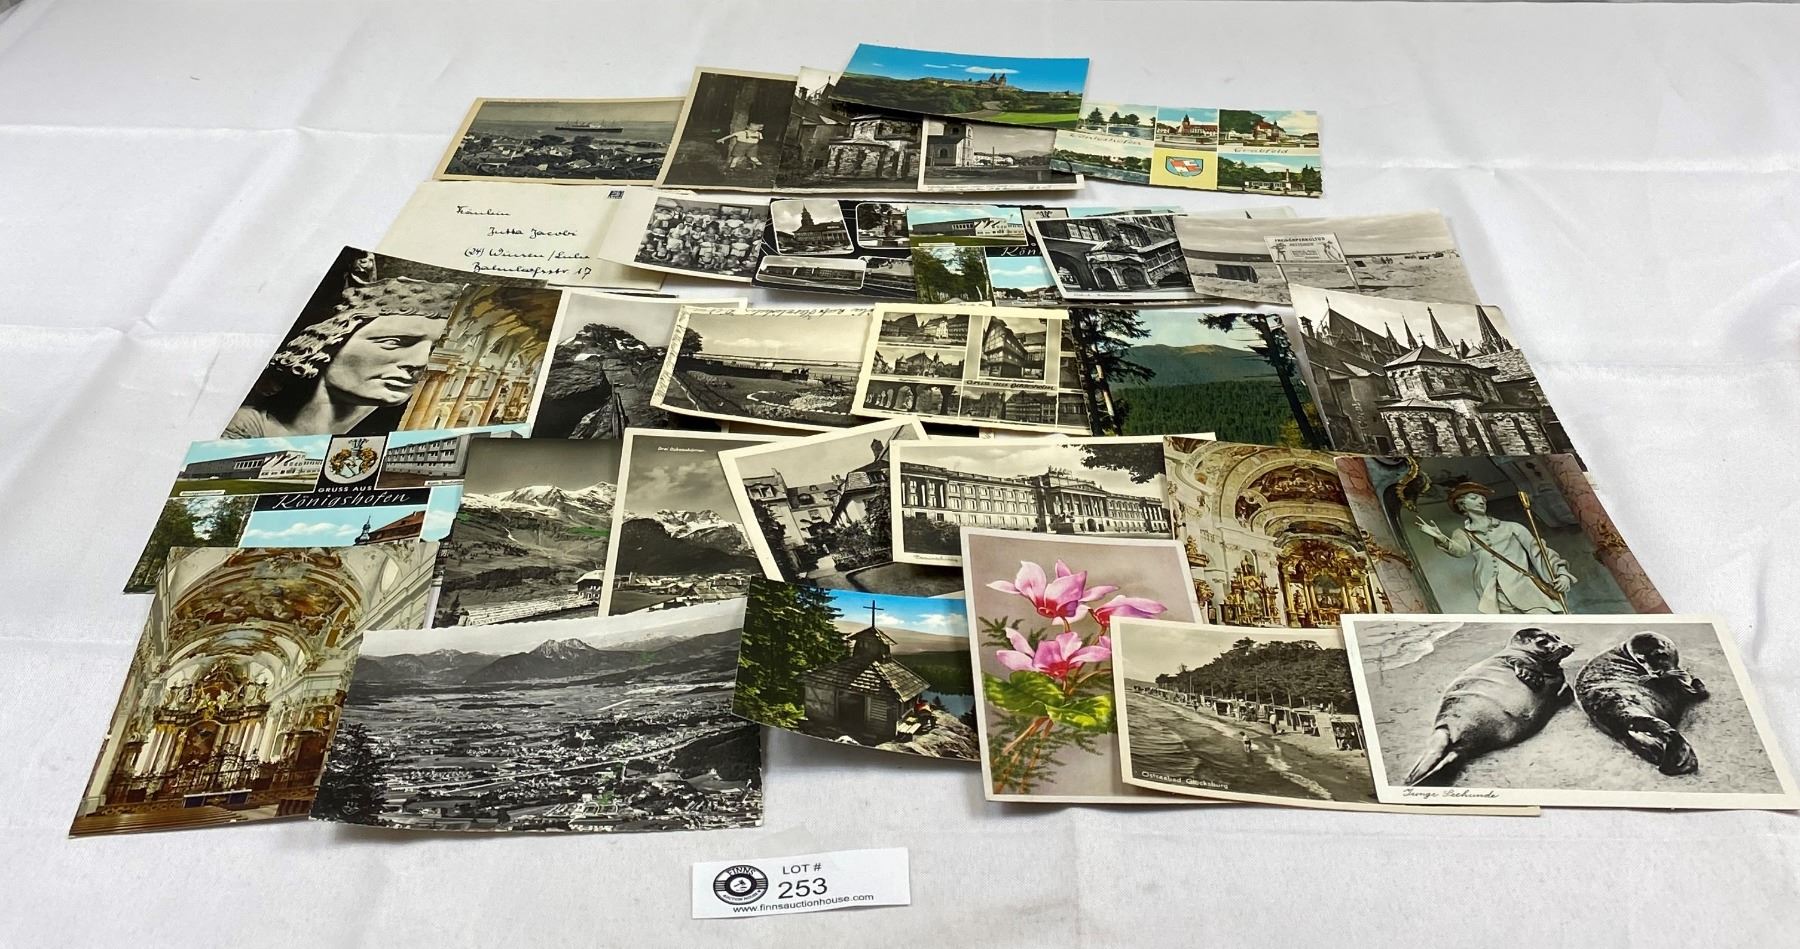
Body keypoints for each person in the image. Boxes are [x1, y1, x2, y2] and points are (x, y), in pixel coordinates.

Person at [224, 274, 461, 437]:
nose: (419, 363)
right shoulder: (242, 428)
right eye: (393, 342)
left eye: (431, 349)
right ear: (332, 340)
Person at [1413, 481, 1575, 613]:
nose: (1481, 501)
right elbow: (1460, 550)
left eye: (1483, 499)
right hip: (1493, 593)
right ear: (1461, 505)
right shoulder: (1464, 533)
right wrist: (1440, 537)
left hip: (1524, 587)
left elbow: (1540, 553)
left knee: (1544, 617)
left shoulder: (1512, 527)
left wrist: (1562, 574)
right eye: (1474, 498)